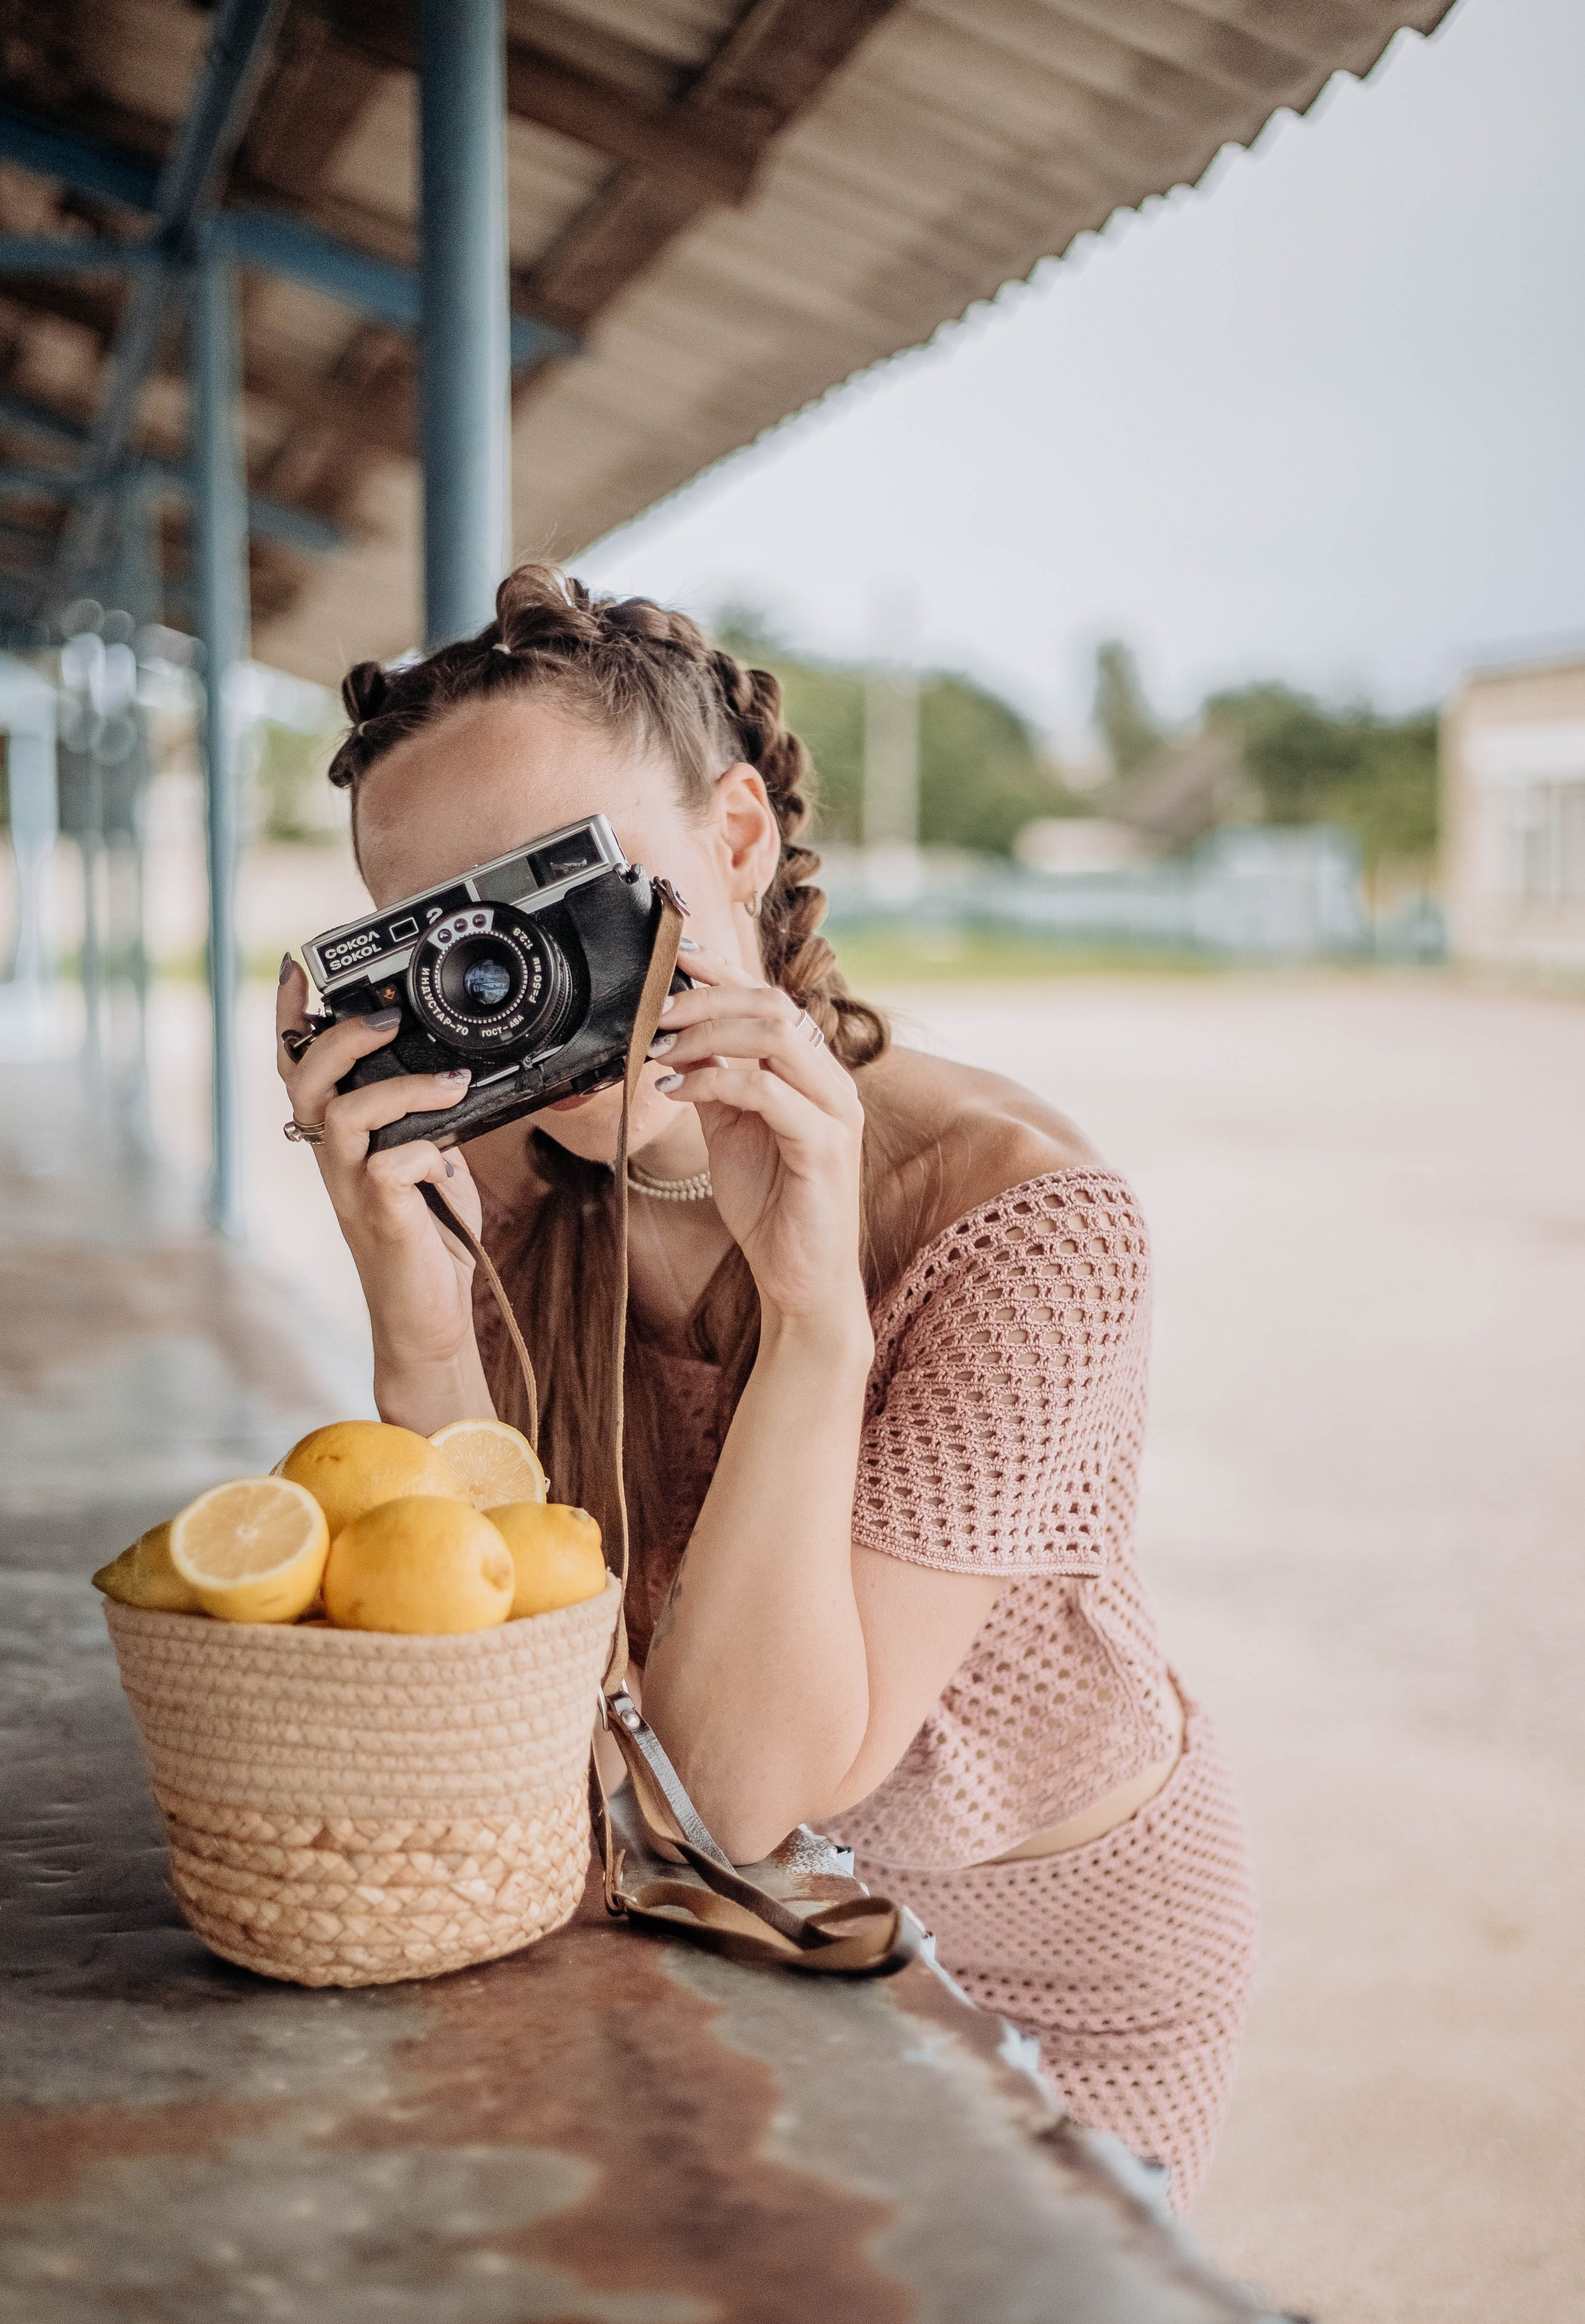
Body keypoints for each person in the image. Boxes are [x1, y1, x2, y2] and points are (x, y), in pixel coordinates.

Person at [276, 566, 1255, 2209]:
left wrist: (814, 1320)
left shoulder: (1020, 1221)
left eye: (557, 894)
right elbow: (504, 1714)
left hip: (1047, 1985)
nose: (519, 986)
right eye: (455, 941)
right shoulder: (502, 1193)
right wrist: (423, 1336)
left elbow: (731, 1789)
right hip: (723, 1942)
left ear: (734, 840)